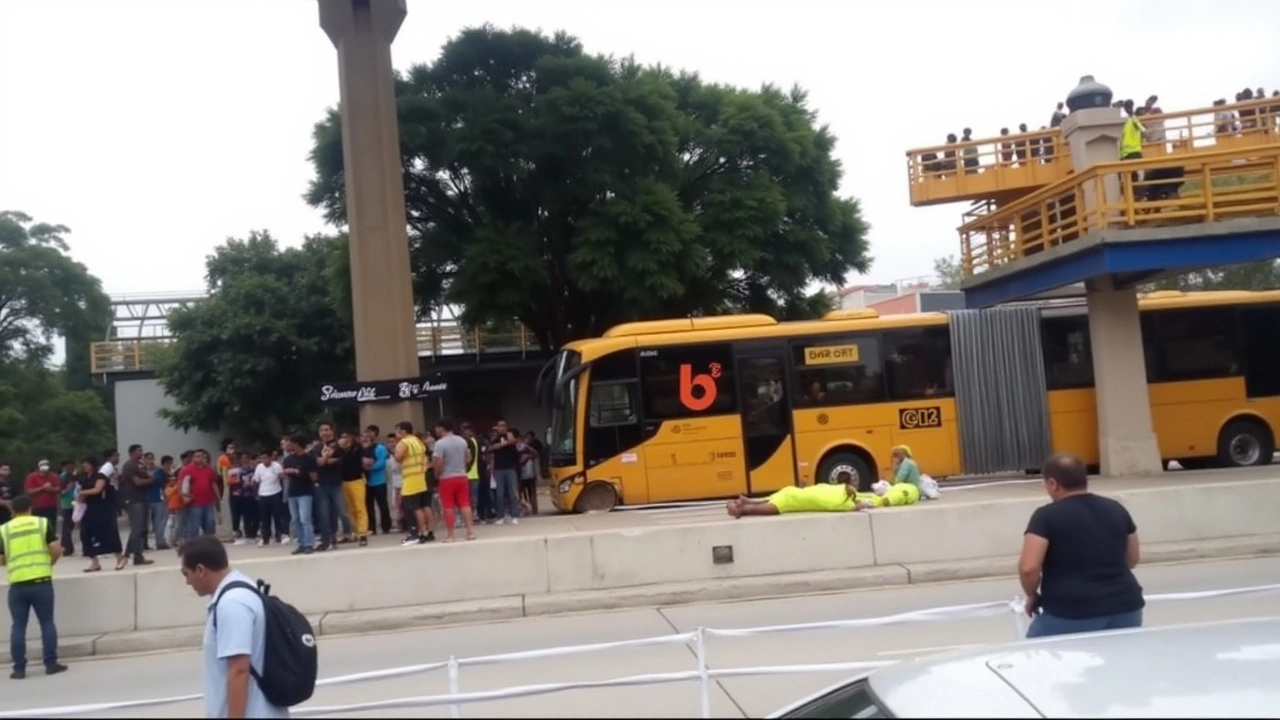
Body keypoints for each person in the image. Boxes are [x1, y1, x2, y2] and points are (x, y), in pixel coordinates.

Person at [1019, 452, 1144, 639]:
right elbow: (1132, 558)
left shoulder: (1046, 516)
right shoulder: (1115, 508)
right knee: (1118, 665)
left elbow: (1029, 568)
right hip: (1126, 607)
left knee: (1036, 658)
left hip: (1070, 611)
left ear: (1053, 484)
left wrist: (1032, 595)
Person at [179, 535, 288, 719]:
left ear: (200, 570)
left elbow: (239, 670)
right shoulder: (245, 587)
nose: (187, 582)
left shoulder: (232, 604)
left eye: (186, 573)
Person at [0, 495, 68, 679]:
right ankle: (51, 663)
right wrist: (49, 563)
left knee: (18, 625)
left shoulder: (4, 529)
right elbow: (55, 549)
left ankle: (19, 668)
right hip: (41, 581)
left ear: (12, 510)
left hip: (17, 584)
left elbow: (1, 559)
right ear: (31, 507)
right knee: (46, 622)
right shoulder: (42, 523)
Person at [727, 478, 877, 518]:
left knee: (764, 501)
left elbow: (858, 498)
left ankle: (744, 501)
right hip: (790, 502)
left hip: (791, 492)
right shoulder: (841, 504)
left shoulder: (834, 489)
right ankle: (739, 509)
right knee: (754, 510)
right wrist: (867, 504)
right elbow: (857, 505)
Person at [76, 457, 126, 572]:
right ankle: (94, 561)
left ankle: (119, 557)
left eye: (87, 465)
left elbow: (97, 489)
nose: (85, 468)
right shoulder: (84, 478)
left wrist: (83, 492)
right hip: (89, 508)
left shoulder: (100, 476)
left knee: (107, 532)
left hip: (102, 508)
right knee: (85, 533)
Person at [432, 418, 475, 543]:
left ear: (441, 428)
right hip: (461, 476)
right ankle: (470, 531)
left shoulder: (440, 443)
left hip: (447, 478)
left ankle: (451, 535)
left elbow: (437, 462)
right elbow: (468, 457)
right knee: (465, 504)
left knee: (448, 506)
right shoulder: (462, 440)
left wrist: (437, 474)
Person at [394, 421, 435, 546]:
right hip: (421, 476)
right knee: (424, 505)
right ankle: (427, 532)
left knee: (412, 507)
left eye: (397, 431)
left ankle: (415, 533)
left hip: (410, 478)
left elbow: (398, 457)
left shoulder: (404, 442)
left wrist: (395, 452)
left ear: (403, 431)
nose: (396, 434)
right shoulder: (418, 441)